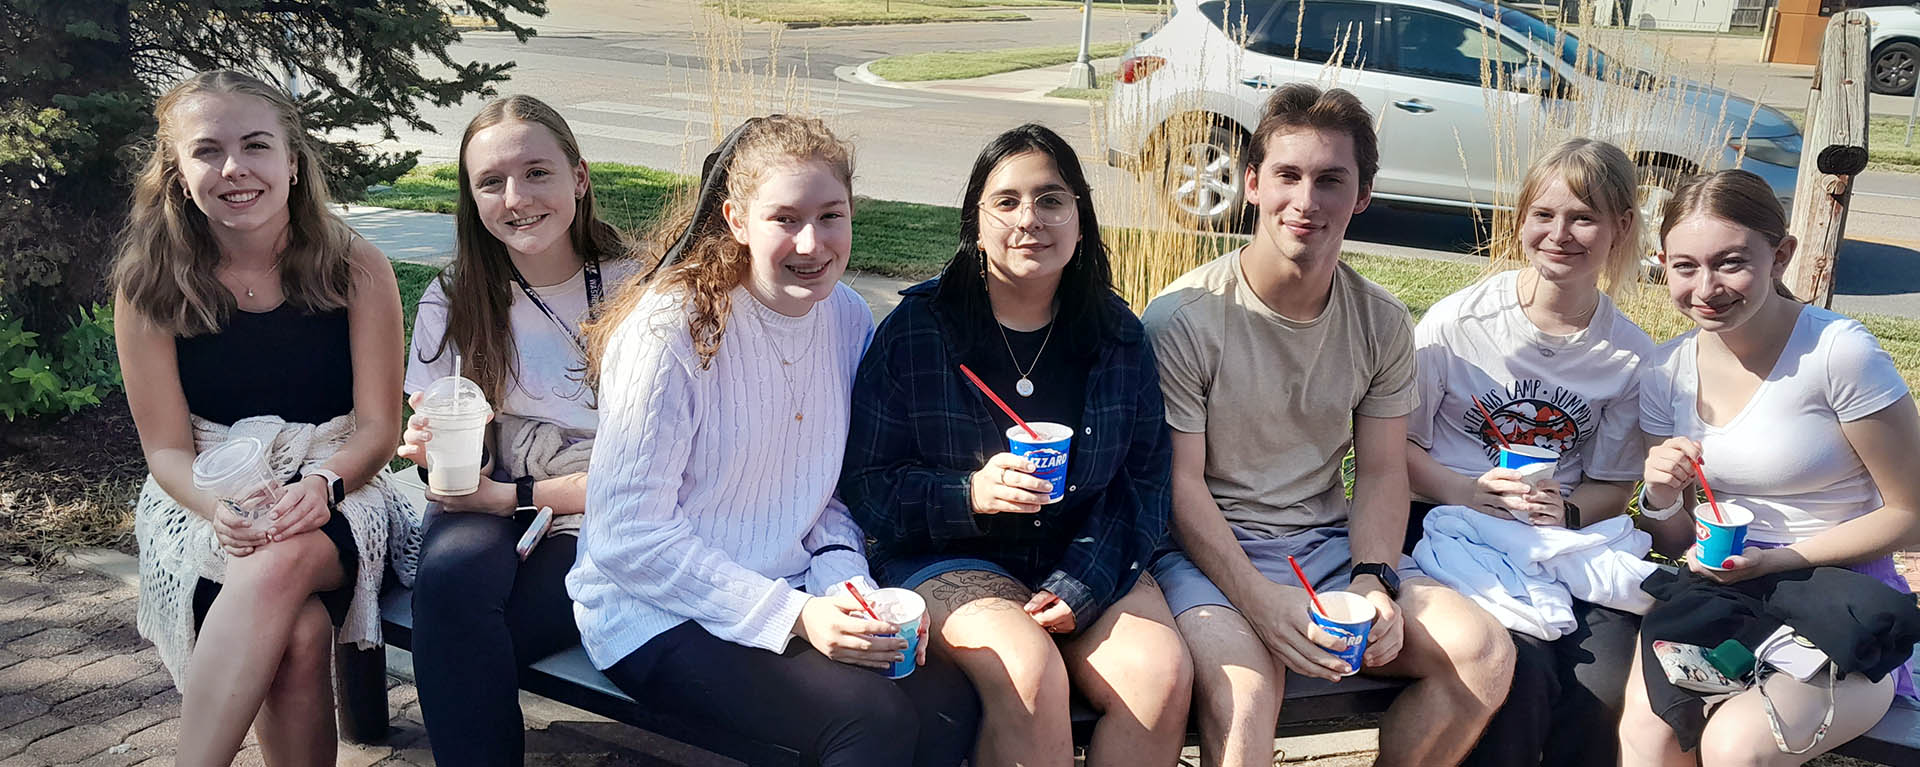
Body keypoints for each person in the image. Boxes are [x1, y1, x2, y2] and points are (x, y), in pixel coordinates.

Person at [568, 114, 979, 766]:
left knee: (949, 701)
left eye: (831, 215)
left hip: (790, 587)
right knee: (870, 721)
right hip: (652, 611)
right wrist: (795, 615)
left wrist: (850, 595)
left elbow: (829, 494)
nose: (812, 242)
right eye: (785, 217)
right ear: (736, 219)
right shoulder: (669, 332)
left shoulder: (845, 316)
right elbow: (627, 537)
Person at [1141, 82, 1516, 767]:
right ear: (1252, 183)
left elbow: (1380, 470)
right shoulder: (1184, 317)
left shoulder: (1380, 321)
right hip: (1203, 554)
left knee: (1484, 654)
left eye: (1330, 180)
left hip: (1323, 544)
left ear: (1362, 196)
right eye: (1287, 175)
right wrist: (1259, 600)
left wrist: (1373, 576)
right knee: (1251, 693)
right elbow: (1179, 486)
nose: (1306, 201)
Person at [840, 124, 1192, 766]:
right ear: (976, 223)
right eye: (1006, 202)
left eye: (1051, 199)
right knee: (1028, 671)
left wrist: (1084, 581)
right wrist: (968, 493)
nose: (1030, 219)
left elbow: (1143, 484)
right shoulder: (917, 331)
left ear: (1080, 219)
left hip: (1084, 548)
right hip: (947, 553)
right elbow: (867, 487)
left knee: (1158, 677)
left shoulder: (1117, 335)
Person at [113, 70, 407, 766]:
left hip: (340, 480)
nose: (234, 168)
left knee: (278, 563)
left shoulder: (356, 267)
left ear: (293, 163)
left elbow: (377, 428)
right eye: (207, 150)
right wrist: (222, 506)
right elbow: (165, 450)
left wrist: (324, 485)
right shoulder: (149, 283)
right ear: (179, 174)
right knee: (300, 635)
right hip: (204, 494)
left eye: (255, 145)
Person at [1619, 169, 1920, 765]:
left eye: (1730, 262)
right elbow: (1677, 537)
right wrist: (1659, 498)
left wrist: (1776, 560)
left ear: (1781, 255)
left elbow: (1911, 516)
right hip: (1717, 596)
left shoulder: (1837, 353)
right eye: (1684, 267)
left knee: (1736, 746)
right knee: (1647, 736)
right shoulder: (1665, 371)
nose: (1706, 288)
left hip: (1843, 606)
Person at [394, 95, 639, 766]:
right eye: (490, 182)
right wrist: (424, 453)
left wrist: (511, 498)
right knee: (450, 581)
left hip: (605, 504)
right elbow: (443, 448)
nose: (516, 197)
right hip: (488, 483)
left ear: (579, 178)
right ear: (472, 199)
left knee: (467, 629)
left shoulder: (640, 286)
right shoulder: (455, 296)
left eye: (537, 172)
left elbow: (654, 466)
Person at [1402, 138, 1656, 767]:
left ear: (1620, 227)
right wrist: (1470, 492)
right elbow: (1394, 450)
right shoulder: (1457, 324)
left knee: (1602, 685)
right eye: (1543, 214)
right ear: (1519, 221)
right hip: (1446, 523)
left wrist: (1563, 513)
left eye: (1583, 217)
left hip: (1557, 542)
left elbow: (1610, 488)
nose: (1560, 234)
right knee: (1524, 672)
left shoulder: (1629, 355)